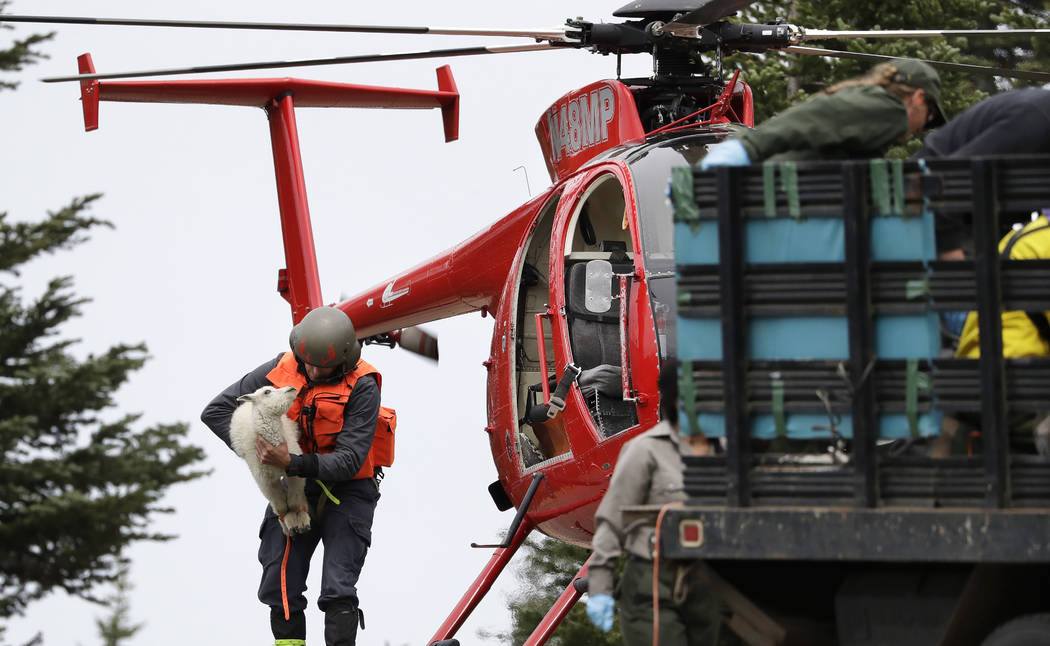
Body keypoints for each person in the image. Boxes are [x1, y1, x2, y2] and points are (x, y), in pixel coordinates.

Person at [201, 306, 386, 646]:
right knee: (279, 582)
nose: (314, 370)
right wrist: (258, 455)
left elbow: (349, 460)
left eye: (323, 365)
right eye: (308, 361)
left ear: (344, 359)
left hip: (348, 490)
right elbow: (215, 411)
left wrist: (291, 462)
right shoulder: (281, 367)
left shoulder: (363, 385)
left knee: (338, 587)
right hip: (292, 488)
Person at [586, 359, 731, 645]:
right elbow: (611, 522)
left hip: (710, 582)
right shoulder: (645, 450)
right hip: (654, 583)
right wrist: (600, 589)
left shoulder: (727, 453)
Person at [700, 59, 946, 168]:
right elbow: (814, 118)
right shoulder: (889, 109)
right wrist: (747, 147)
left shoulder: (871, 109)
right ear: (918, 98)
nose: (920, 129)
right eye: (929, 117)